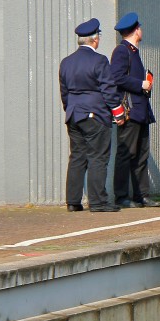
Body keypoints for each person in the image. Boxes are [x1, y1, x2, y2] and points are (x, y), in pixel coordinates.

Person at [59, 18, 125, 213]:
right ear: (95, 39)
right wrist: (118, 112)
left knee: (77, 156)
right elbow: (108, 89)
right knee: (98, 157)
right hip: (95, 114)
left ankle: (73, 201)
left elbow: (64, 93)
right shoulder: (99, 60)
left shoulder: (66, 62)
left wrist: (69, 109)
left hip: (73, 115)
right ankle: (98, 202)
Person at [110, 11, 160, 208]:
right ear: (136, 30)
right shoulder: (122, 51)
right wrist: (141, 84)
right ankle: (121, 196)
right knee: (126, 154)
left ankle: (141, 195)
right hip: (130, 111)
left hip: (140, 111)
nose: (142, 30)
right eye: (140, 28)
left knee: (141, 154)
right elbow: (117, 77)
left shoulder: (132, 51)